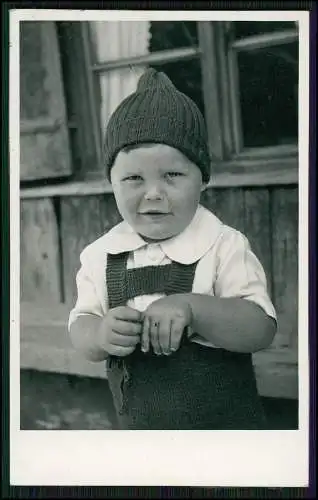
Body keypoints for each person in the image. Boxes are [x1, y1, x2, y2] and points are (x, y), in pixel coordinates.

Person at [68, 68, 277, 430]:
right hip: (143, 437)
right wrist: (101, 333)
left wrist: (193, 308)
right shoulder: (100, 255)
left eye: (172, 176)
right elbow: (81, 325)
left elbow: (261, 328)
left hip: (224, 435)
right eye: (133, 178)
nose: (153, 193)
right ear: (112, 184)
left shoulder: (222, 245)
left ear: (203, 180)